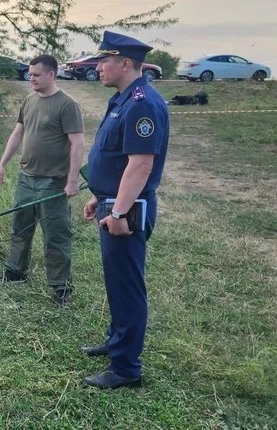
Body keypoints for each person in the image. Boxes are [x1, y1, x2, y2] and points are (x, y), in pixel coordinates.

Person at [80, 31, 169, 389]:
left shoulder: (142, 103)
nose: (98, 67)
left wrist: (117, 213)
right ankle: (118, 342)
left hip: (130, 209)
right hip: (114, 200)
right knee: (116, 281)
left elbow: (140, 166)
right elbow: (115, 160)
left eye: (104, 60)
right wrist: (98, 195)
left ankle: (126, 368)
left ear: (126, 63)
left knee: (128, 285)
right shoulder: (122, 99)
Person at [0, 54, 85, 306]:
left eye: (35, 74)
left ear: (51, 75)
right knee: (20, 228)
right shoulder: (29, 100)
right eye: (29, 74)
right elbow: (18, 133)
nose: (30, 78)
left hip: (52, 182)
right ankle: (15, 272)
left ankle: (61, 287)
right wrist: (2, 163)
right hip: (26, 178)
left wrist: (73, 179)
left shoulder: (67, 105)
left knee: (55, 235)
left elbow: (77, 143)